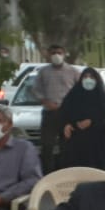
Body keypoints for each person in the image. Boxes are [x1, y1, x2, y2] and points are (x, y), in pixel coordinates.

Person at [32, 44, 79, 173]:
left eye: (59, 52)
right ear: (48, 55)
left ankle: (66, 173)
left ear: (64, 54)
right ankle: (48, 173)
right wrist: (44, 101)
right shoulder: (43, 72)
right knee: (47, 146)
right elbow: (35, 90)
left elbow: (80, 90)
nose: (56, 55)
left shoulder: (73, 71)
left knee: (67, 146)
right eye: (53, 53)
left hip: (67, 114)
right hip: (50, 113)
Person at [58, 67, 105, 169]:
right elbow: (63, 113)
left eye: (91, 77)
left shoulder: (101, 98)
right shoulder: (73, 95)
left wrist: (92, 122)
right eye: (85, 77)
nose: (88, 80)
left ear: (97, 80)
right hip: (75, 144)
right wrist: (66, 125)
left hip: (95, 145)